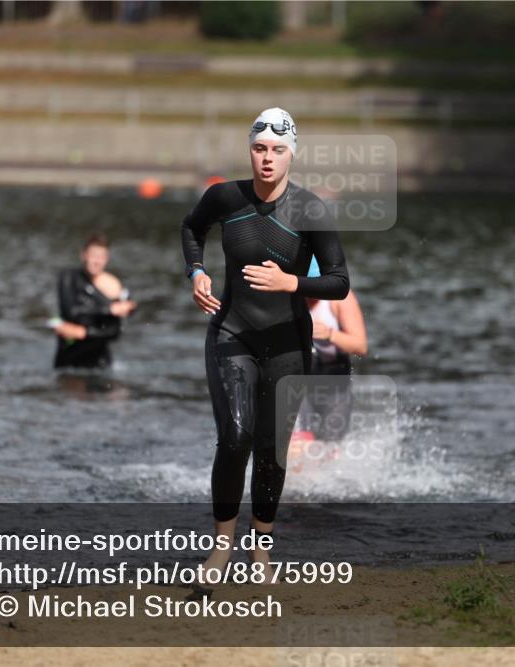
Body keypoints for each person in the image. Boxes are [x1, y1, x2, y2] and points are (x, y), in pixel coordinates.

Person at [180, 107, 349, 582]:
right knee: (236, 437)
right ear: (250, 152)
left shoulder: (310, 210)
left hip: (288, 341)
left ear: (291, 154)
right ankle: (221, 547)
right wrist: (196, 271)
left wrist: (290, 282)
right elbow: (191, 228)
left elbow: (339, 281)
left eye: (277, 150)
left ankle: (260, 549)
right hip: (231, 332)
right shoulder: (224, 196)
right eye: (259, 149)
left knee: (272, 450)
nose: (267, 158)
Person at [293, 256, 368, 443]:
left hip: (335, 380)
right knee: (298, 443)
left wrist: (330, 335)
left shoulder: (341, 300)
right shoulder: (288, 296)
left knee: (330, 445)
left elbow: (360, 346)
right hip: (300, 380)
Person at [53, 233, 137, 370]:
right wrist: (109, 309)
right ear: (84, 255)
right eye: (93, 255)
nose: (96, 261)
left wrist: (84, 332)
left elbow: (116, 330)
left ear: (106, 259)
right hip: (69, 357)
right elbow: (71, 312)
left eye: (101, 257)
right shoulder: (69, 277)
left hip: (100, 361)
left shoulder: (113, 286)